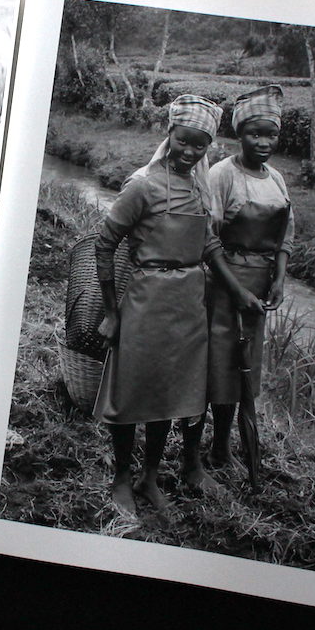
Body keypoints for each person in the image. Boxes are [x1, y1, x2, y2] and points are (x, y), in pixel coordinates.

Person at [94, 94, 263, 514]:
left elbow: (207, 244)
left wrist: (238, 290)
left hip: (189, 305)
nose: (189, 152)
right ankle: (121, 479)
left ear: (209, 147)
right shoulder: (142, 185)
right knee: (132, 392)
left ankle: (150, 478)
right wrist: (113, 312)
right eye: (183, 141)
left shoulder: (200, 189)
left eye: (200, 145)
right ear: (169, 134)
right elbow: (104, 243)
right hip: (146, 300)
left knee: (168, 396)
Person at [205, 85, 294, 470]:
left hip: (259, 290)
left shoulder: (275, 179)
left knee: (247, 368)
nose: (263, 142)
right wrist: (236, 288)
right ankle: (212, 449)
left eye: (270, 134)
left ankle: (229, 445)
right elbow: (206, 238)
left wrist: (279, 277)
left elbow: (286, 234)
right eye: (255, 134)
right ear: (239, 134)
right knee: (222, 365)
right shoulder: (221, 175)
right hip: (225, 285)